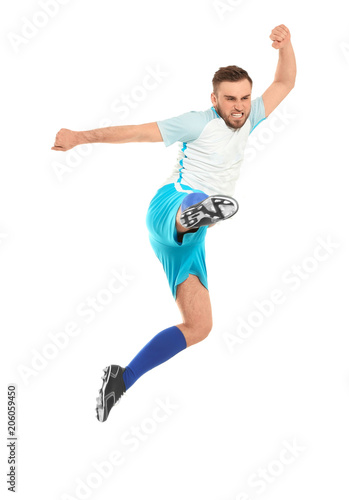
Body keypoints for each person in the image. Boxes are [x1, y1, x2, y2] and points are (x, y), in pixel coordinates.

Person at [52, 24, 296, 422]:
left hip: (186, 240)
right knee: (196, 204)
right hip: (170, 207)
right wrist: (80, 137)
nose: (239, 106)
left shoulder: (251, 117)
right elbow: (135, 133)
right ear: (214, 99)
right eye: (230, 99)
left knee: (199, 326)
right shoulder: (197, 122)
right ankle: (199, 210)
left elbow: (285, 80)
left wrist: (286, 47)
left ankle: (122, 379)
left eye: (245, 98)